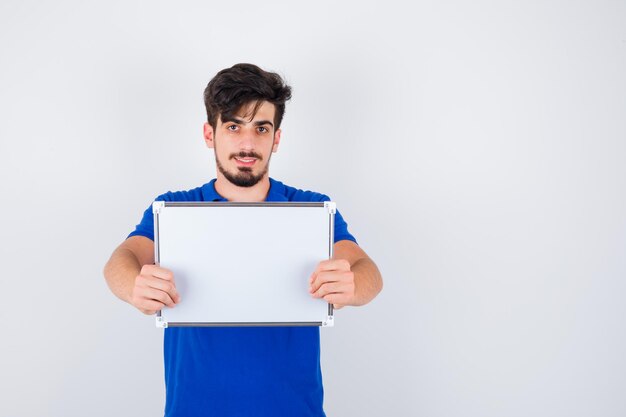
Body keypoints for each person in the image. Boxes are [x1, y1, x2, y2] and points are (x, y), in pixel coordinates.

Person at [103, 63, 383, 417]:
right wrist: (134, 288)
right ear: (210, 134)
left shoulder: (310, 209)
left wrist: (353, 284)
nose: (248, 144)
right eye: (233, 126)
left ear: (276, 138)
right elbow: (122, 259)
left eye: (261, 128)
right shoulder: (176, 208)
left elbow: (367, 271)